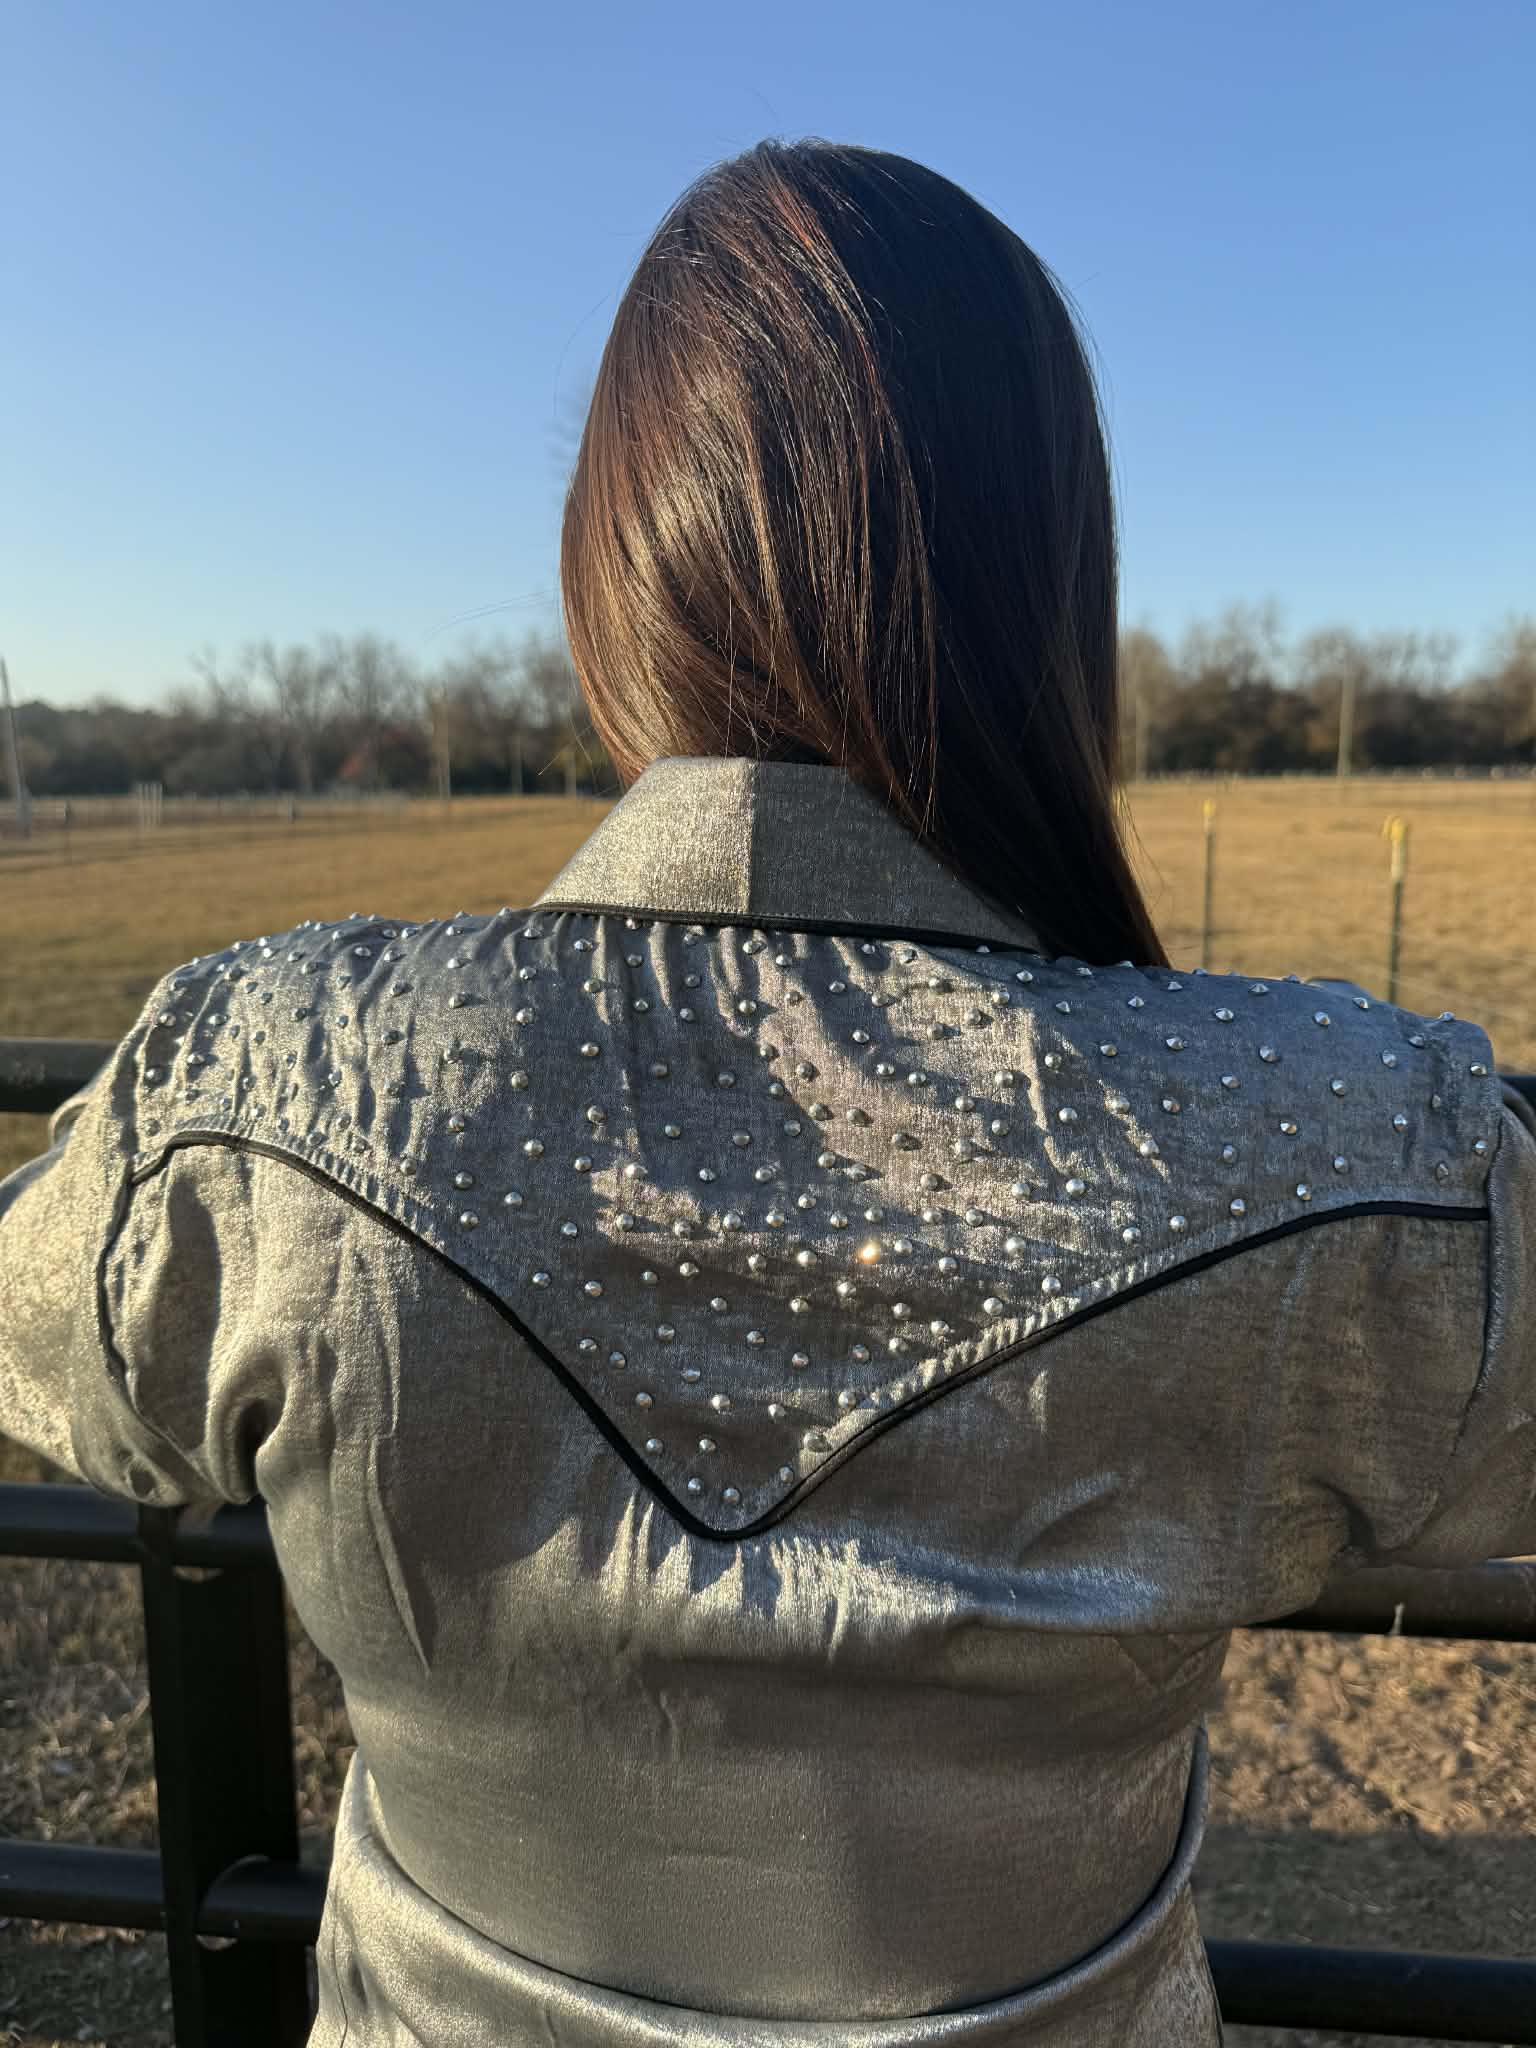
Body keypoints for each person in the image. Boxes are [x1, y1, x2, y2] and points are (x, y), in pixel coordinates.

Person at [2, 139, 1533, 2048]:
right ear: (1057, 594)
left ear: (614, 579)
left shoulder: (264, 1090)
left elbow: (58, 1355)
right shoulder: (1359, 1146)